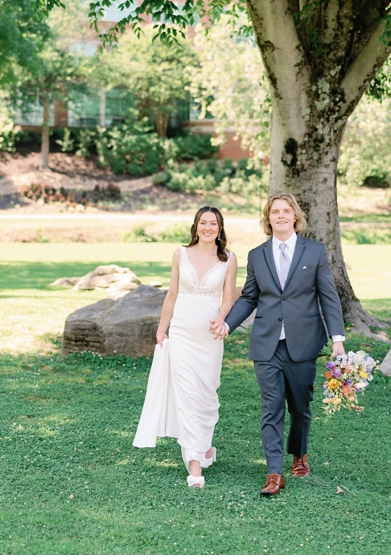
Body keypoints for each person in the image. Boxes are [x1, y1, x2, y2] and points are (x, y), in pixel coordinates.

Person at [217, 191, 346, 497]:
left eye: (286, 211)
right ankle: (274, 472)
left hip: (303, 343)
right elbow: (249, 297)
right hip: (266, 345)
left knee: (300, 406)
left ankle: (299, 454)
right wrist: (226, 324)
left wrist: (337, 339)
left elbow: (328, 296)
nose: (281, 216)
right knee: (271, 408)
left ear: (295, 217)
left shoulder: (314, 252)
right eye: (275, 211)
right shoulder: (257, 255)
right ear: (268, 218)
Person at [134, 206, 238, 488]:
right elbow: (172, 294)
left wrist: (221, 318)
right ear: (196, 226)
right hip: (180, 333)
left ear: (220, 228)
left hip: (209, 336)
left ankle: (205, 448)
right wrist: (161, 329)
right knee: (188, 397)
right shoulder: (180, 254)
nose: (207, 228)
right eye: (203, 223)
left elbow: (228, 299)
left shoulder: (228, 259)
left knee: (206, 395)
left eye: (213, 224)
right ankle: (194, 465)